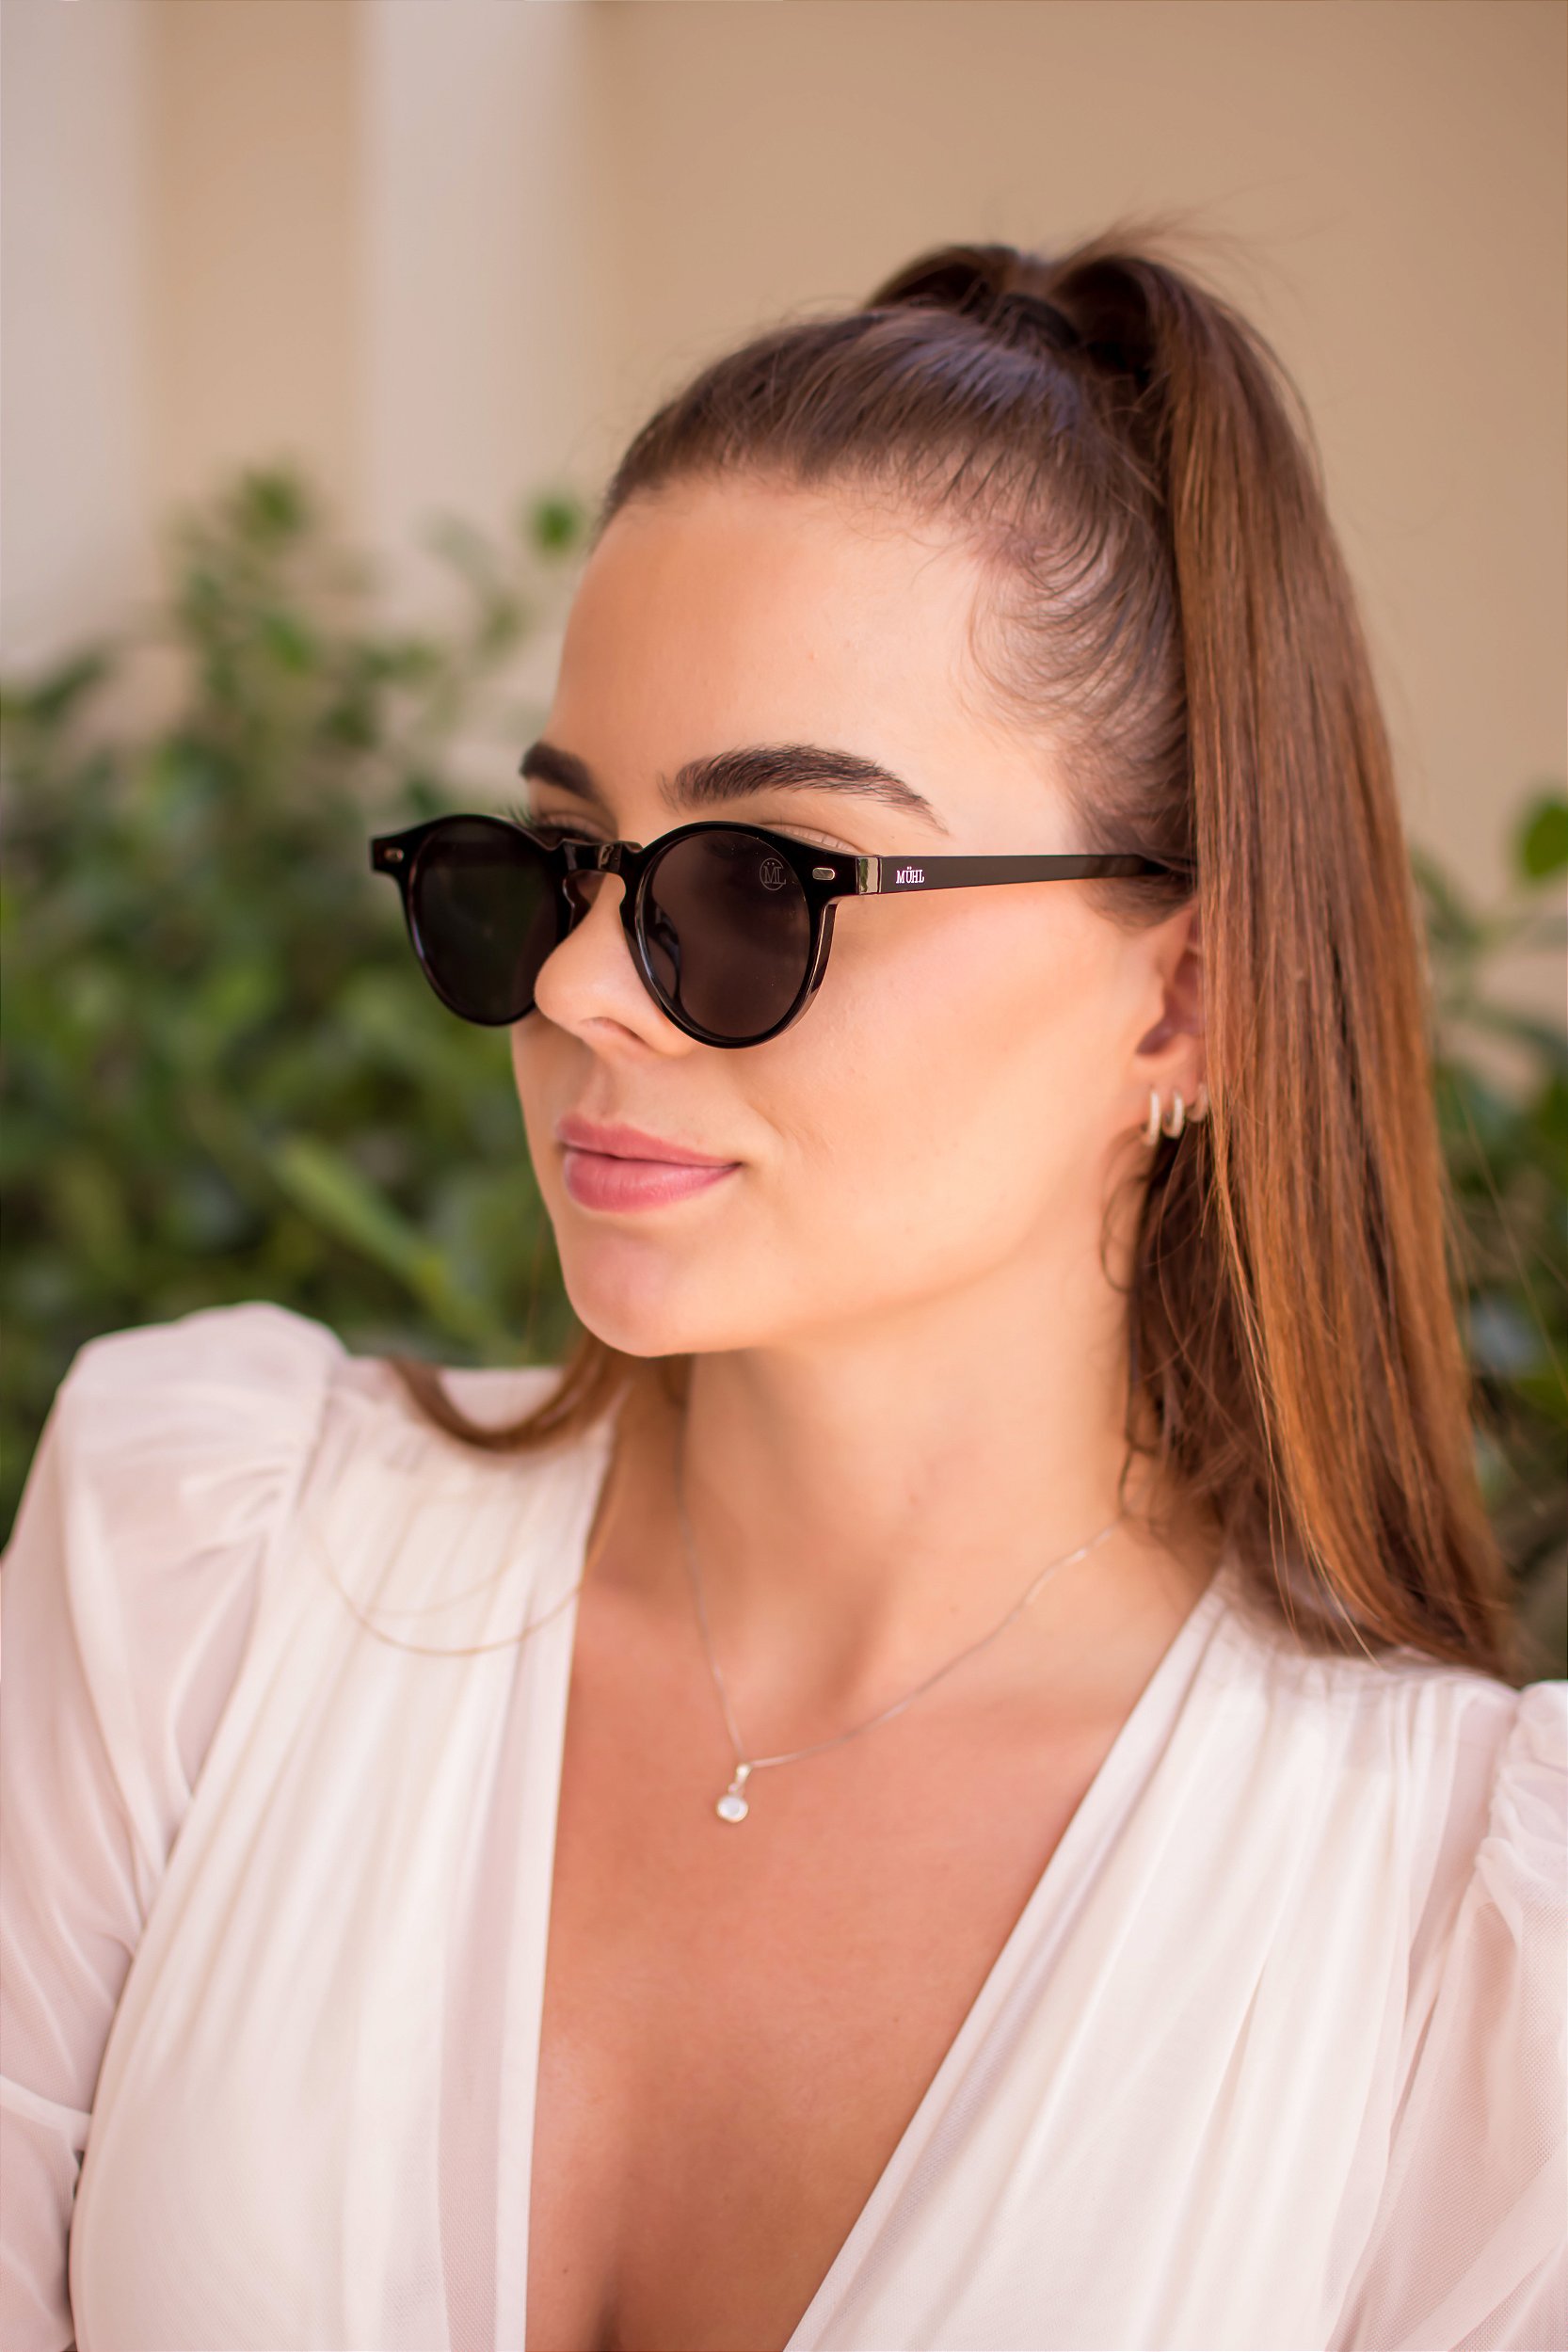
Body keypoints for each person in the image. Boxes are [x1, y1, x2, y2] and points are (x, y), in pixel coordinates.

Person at [2, 225, 1563, 2352]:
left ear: (1182, 998)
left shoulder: (1457, 1970)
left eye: (762, 885)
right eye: (556, 861)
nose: (575, 984)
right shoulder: (197, 1574)